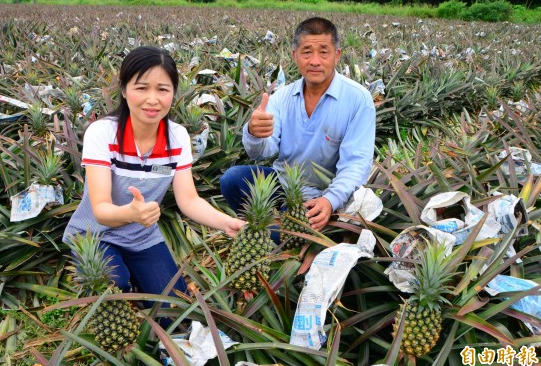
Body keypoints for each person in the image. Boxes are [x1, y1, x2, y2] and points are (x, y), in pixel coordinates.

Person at [63, 46, 245, 304]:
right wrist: (130, 214)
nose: (152, 99)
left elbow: (189, 200)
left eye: (162, 89)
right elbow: (101, 208)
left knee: (173, 306)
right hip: (95, 233)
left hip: (141, 236)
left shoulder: (177, 137)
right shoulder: (102, 133)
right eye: (141, 88)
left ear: (173, 93)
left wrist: (227, 223)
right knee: (113, 286)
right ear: (124, 90)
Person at [220, 17, 375, 234]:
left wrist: (330, 201)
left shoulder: (358, 99)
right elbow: (264, 152)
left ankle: (273, 230)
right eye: (306, 52)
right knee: (232, 179)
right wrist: (255, 134)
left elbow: (356, 163)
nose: (314, 61)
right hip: (284, 184)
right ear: (294, 56)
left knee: (275, 236)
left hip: (326, 194)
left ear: (337, 55)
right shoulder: (281, 98)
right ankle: (273, 224)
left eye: (323, 52)